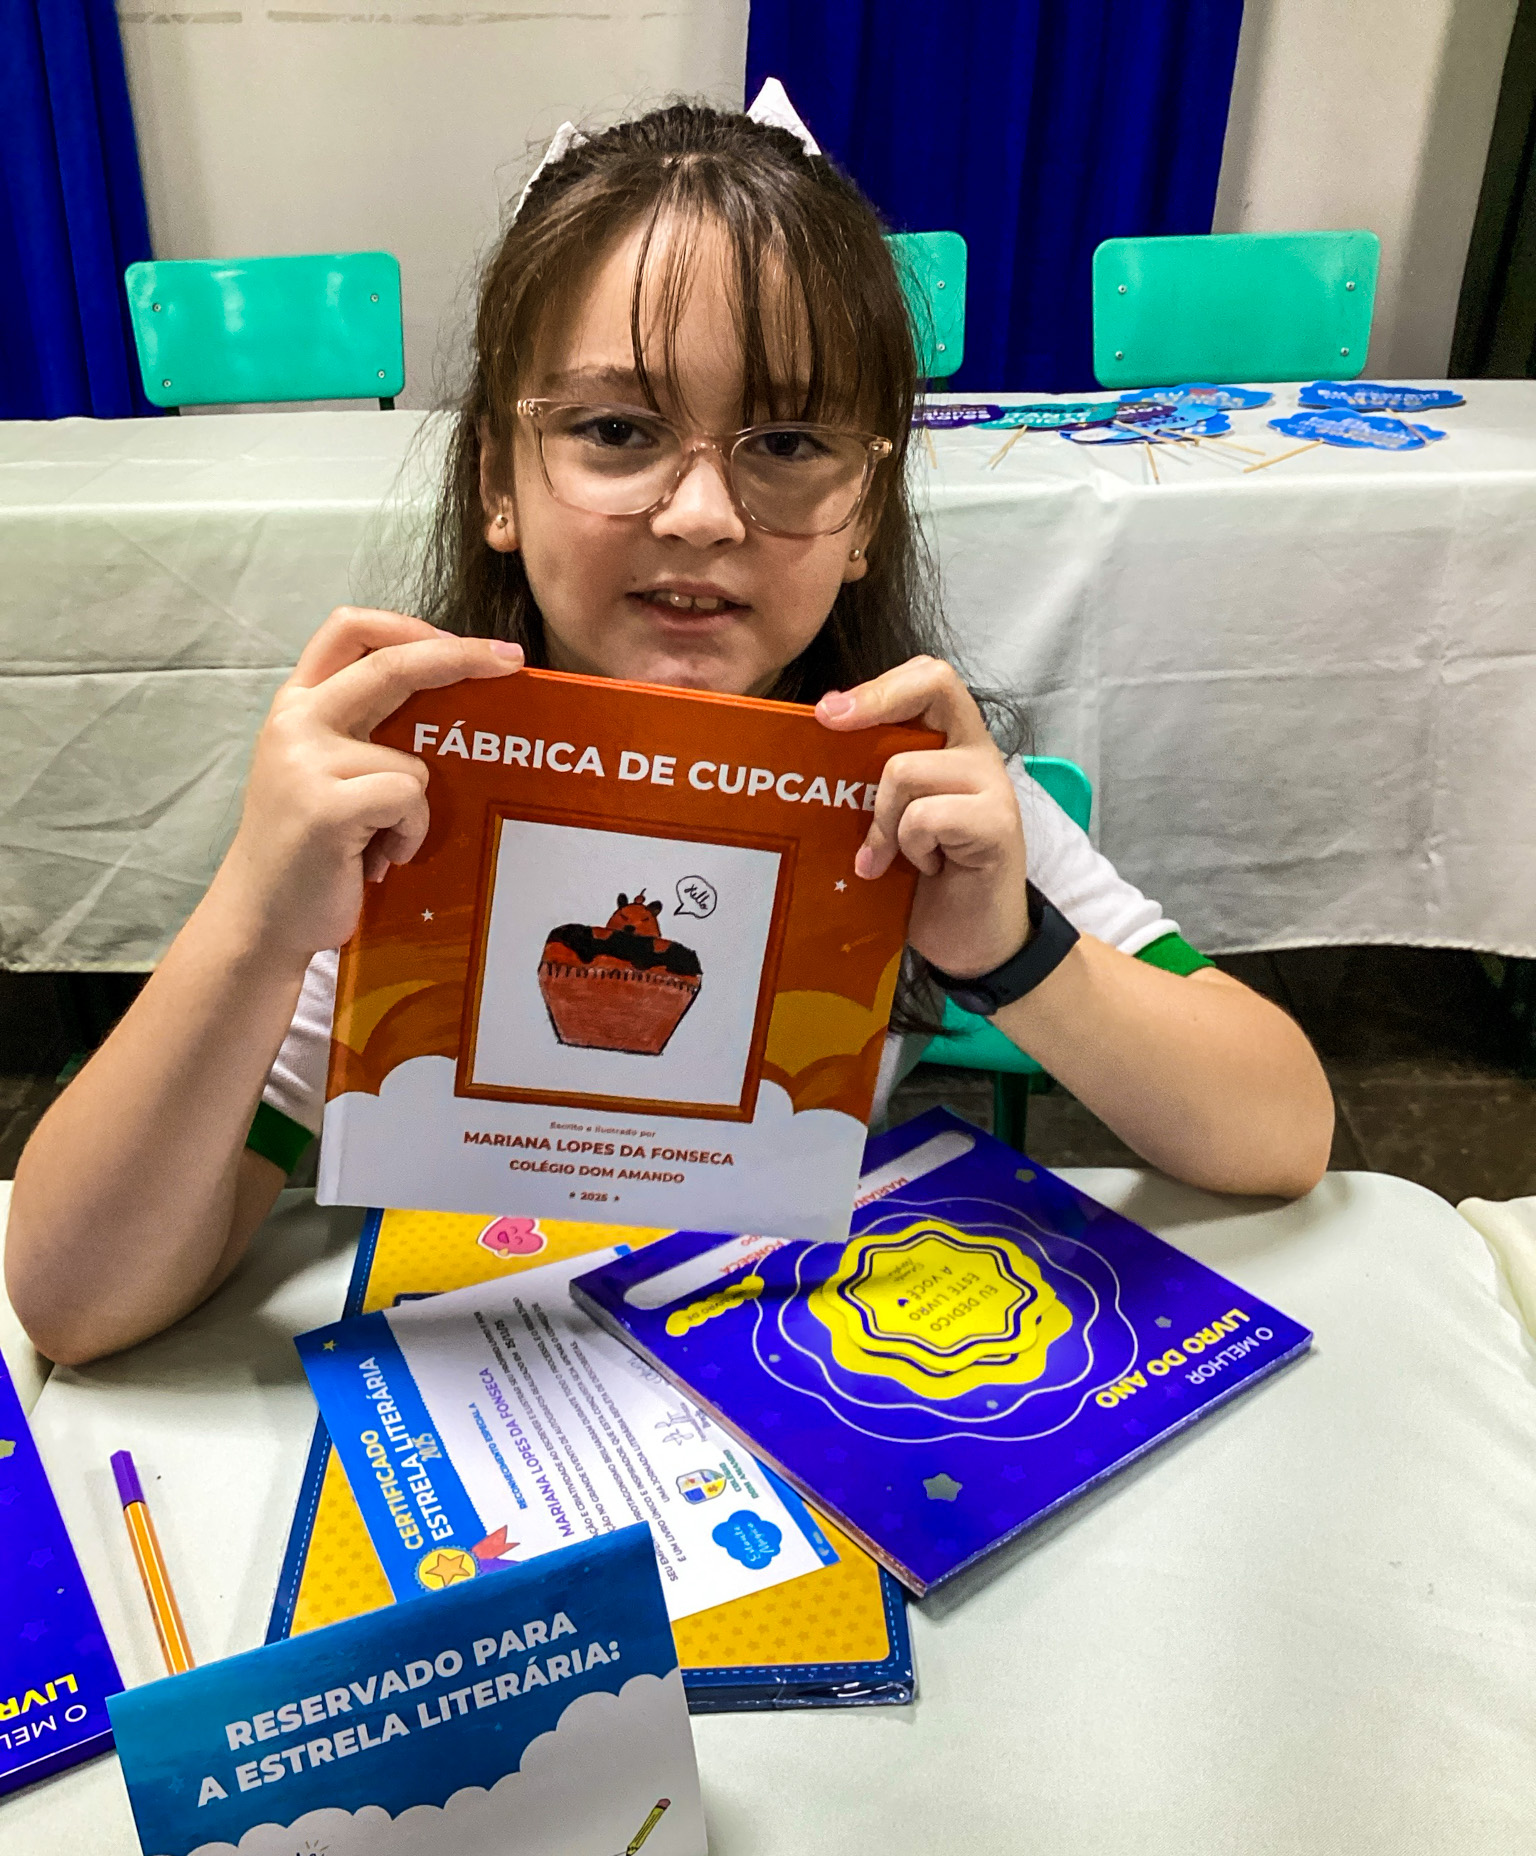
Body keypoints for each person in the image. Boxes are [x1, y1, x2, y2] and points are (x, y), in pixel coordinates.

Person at [6, 102, 1333, 1367]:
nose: (702, 512)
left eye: (789, 440)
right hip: (473, 1379)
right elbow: (74, 1300)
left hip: (773, 1375)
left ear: (866, 513)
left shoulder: (916, 797)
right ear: (499, 479)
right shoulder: (399, 806)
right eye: (615, 430)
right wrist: (255, 920)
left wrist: (1012, 950)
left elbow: (1280, 1135)